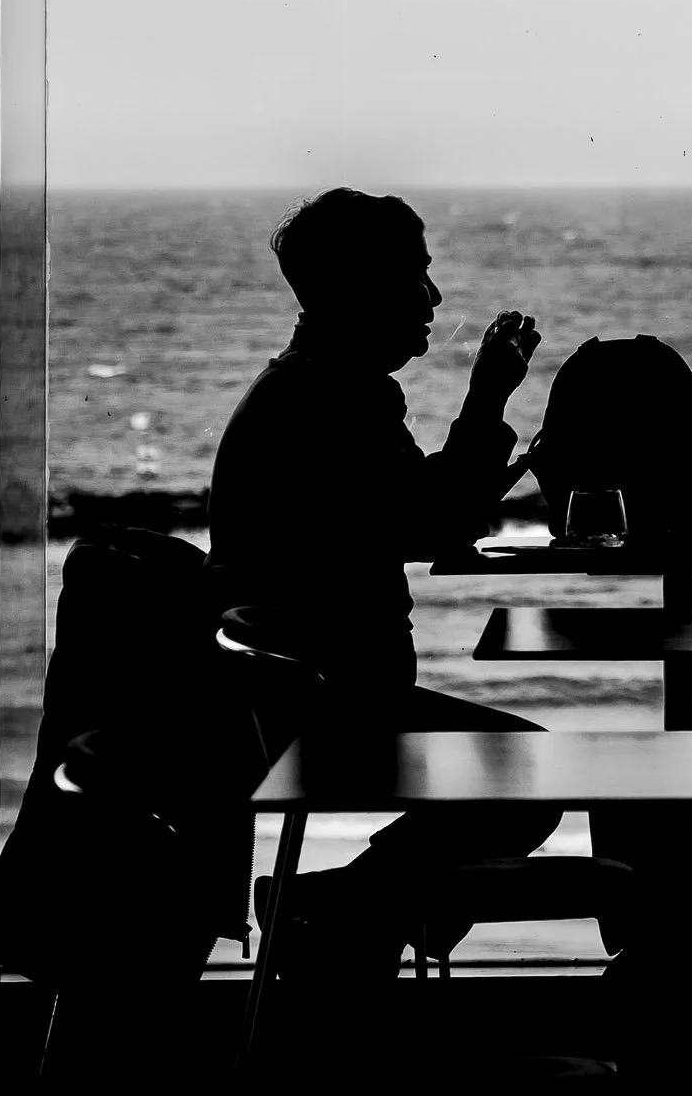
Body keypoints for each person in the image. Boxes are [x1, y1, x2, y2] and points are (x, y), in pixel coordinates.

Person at [206, 186, 554, 980]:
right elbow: (432, 523)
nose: (433, 298)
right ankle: (338, 913)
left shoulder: (313, 386)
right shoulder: (329, 398)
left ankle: (344, 922)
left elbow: (416, 512)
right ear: (358, 288)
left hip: (295, 703)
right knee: (523, 772)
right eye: (413, 275)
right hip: (329, 712)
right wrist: (487, 397)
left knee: (516, 771)